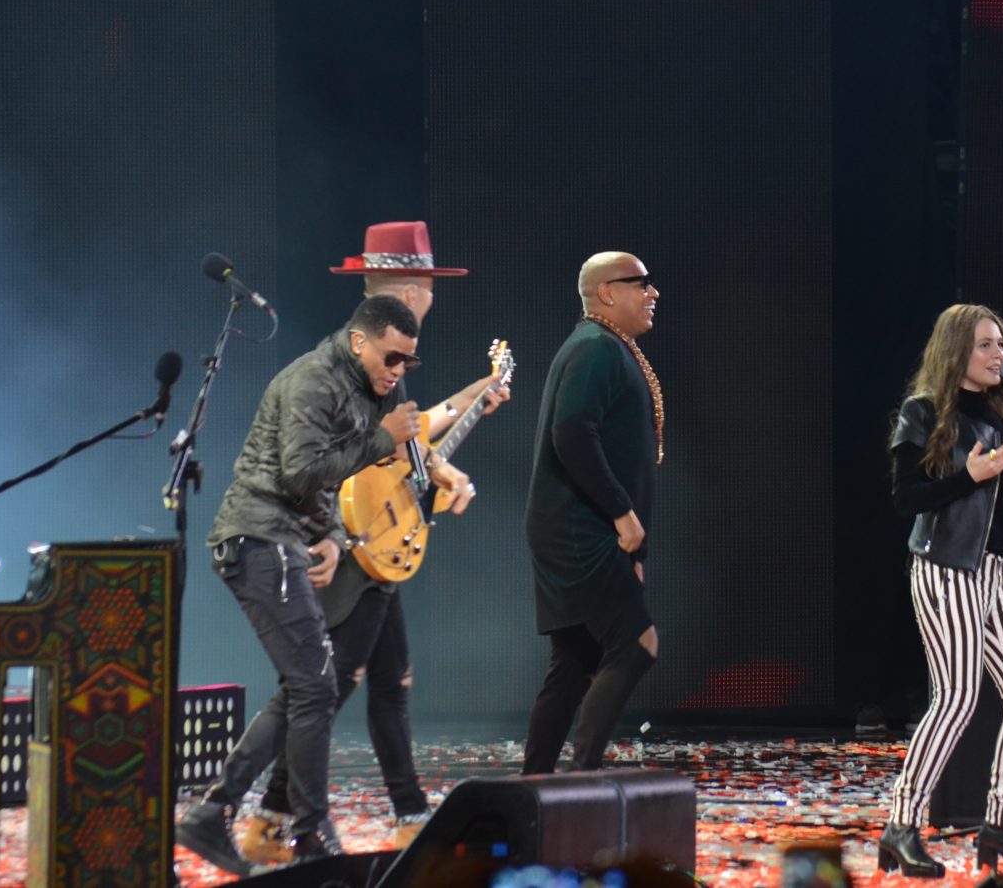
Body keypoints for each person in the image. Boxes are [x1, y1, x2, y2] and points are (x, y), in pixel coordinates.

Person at [238, 222, 506, 866]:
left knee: (385, 678)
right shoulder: (364, 359)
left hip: (375, 537)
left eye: (422, 286)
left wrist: (469, 407)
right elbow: (363, 451)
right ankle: (268, 816)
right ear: (394, 287)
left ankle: (406, 815)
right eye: (415, 285)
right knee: (332, 684)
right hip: (352, 539)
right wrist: (440, 470)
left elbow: (409, 441)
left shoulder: (385, 357)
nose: (421, 297)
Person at [177, 294, 465, 874]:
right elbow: (300, 471)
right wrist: (383, 438)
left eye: (407, 364)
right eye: (391, 358)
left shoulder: (363, 388)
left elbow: (327, 487)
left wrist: (333, 535)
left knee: (307, 688)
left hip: (286, 541)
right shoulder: (314, 380)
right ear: (361, 341)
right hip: (256, 538)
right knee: (314, 689)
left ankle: (217, 813)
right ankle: (307, 833)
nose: (397, 372)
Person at [879, 304, 1003, 882]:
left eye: (1001, 344)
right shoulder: (924, 411)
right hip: (949, 564)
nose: (999, 355)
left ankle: (1000, 825)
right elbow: (908, 499)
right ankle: (901, 824)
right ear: (958, 350)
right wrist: (969, 478)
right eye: (985, 345)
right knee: (956, 697)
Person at [521, 252, 663, 774]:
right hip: (581, 531)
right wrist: (623, 514)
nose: (653, 293)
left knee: (576, 659)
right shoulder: (595, 349)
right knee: (637, 643)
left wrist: (635, 547)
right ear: (607, 292)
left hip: (583, 530)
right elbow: (572, 432)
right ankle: (583, 775)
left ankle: (535, 779)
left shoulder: (605, 347)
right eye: (640, 283)